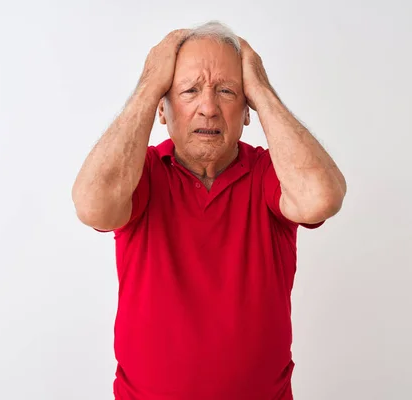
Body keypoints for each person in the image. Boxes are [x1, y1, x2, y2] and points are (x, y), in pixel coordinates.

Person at [72, 21, 346, 400]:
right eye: (189, 91)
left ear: (247, 111)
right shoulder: (142, 174)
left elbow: (322, 197)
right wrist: (150, 84)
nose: (209, 108)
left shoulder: (270, 174)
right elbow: (92, 205)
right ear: (162, 111)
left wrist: (262, 90)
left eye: (227, 91)